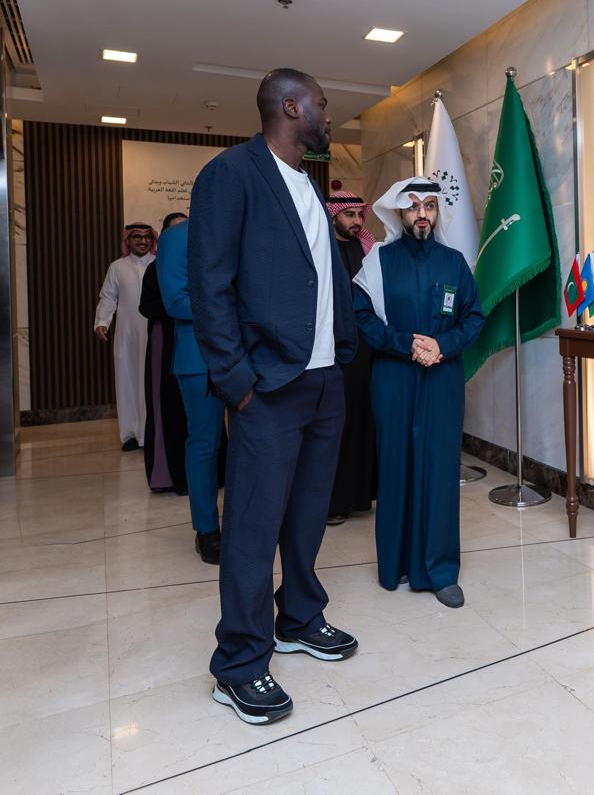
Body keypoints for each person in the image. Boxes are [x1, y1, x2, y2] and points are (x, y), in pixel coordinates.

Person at [188, 67, 359, 726]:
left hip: (323, 381)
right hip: (267, 387)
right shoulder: (231, 175)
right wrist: (237, 383)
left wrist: (341, 352)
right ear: (290, 106)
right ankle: (238, 663)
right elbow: (210, 285)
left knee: (309, 515)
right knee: (253, 528)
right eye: (322, 103)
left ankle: (299, 618)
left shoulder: (309, 184)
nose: (328, 114)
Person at [353, 179, 484, 608]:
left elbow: (473, 318)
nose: (422, 214)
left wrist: (442, 345)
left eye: (430, 205)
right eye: (413, 207)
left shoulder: (454, 262)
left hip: (442, 377)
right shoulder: (378, 262)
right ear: (399, 213)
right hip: (393, 375)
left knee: (439, 469)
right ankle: (396, 564)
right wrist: (405, 344)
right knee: (396, 466)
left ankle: (440, 570)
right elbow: (361, 317)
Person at [156, 214, 230, 562]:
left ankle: (249, 521)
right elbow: (174, 301)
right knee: (205, 443)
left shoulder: (244, 228)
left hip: (252, 354)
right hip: (200, 356)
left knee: (254, 444)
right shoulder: (176, 238)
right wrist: (233, 309)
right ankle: (207, 530)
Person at [325, 190, 377, 526]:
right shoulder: (322, 250)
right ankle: (335, 501)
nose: (357, 221)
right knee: (336, 425)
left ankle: (361, 495)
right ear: (334, 217)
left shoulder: (368, 250)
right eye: (349, 215)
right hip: (333, 349)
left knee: (364, 420)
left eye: (360, 215)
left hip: (367, 347)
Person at [138, 212, 190, 493]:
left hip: (193, 341)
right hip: (166, 341)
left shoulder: (199, 263)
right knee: (166, 403)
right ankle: (168, 474)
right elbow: (146, 306)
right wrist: (176, 306)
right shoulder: (154, 269)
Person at [95, 223, 155, 451]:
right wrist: (102, 322)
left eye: (147, 237)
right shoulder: (117, 267)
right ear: (127, 241)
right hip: (127, 335)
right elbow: (108, 297)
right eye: (137, 237)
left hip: (154, 333)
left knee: (151, 381)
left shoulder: (159, 264)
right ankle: (130, 434)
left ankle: (151, 434)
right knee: (127, 380)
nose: (142, 241)